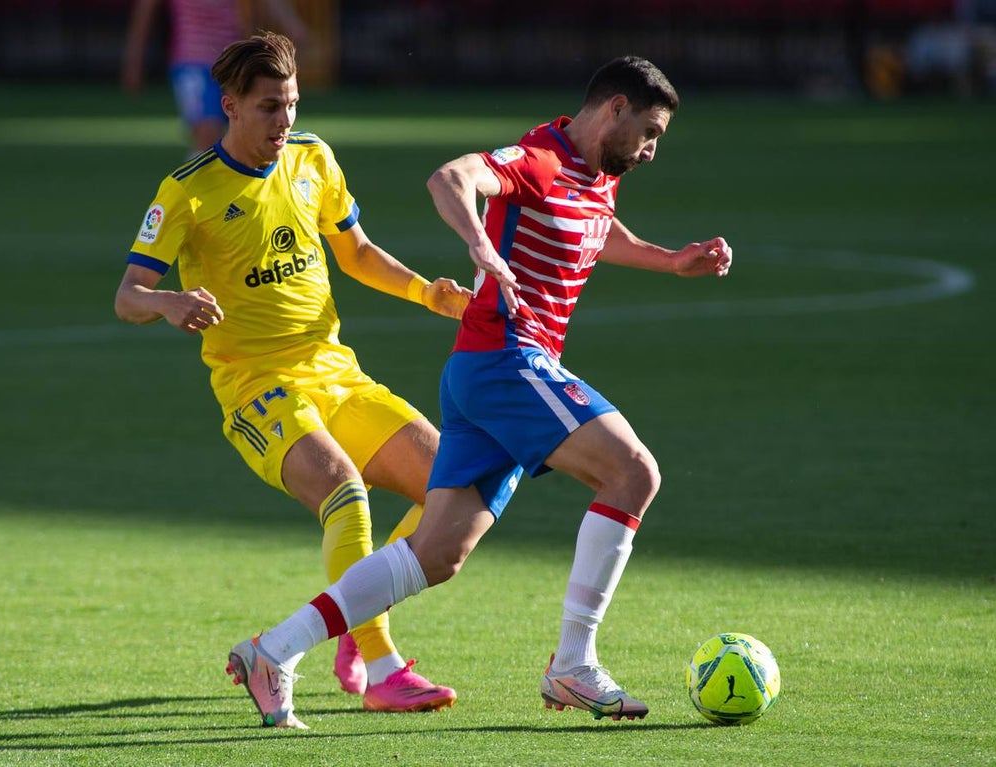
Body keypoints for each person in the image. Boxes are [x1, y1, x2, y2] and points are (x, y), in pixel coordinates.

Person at [233, 55, 734, 727]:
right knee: (632, 471)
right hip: (507, 358)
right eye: (649, 132)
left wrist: (669, 259)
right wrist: (480, 245)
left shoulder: (594, 176)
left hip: (486, 372)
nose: (649, 150)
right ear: (614, 108)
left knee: (435, 555)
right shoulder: (539, 158)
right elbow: (451, 178)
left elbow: (597, 226)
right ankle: (572, 663)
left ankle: (273, 650)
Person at [114, 31, 471, 728]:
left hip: (337, 372)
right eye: (271, 106)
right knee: (346, 494)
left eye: (293, 104)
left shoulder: (313, 158)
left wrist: (429, 293)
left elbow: (357, 252)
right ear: (231, 107)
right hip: (257, 388)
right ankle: (381, 663)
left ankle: (350, 624)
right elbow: (128, 293)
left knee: (453, 485)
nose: (285, 121)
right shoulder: (187, 192)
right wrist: (167, 302)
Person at [122, 0, 310, 154]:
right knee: (207, 135)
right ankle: (193, 193)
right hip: (193, 62)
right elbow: (145, 12)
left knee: (242, 136)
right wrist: (134, 61)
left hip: (234, 62)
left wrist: (291, 24)